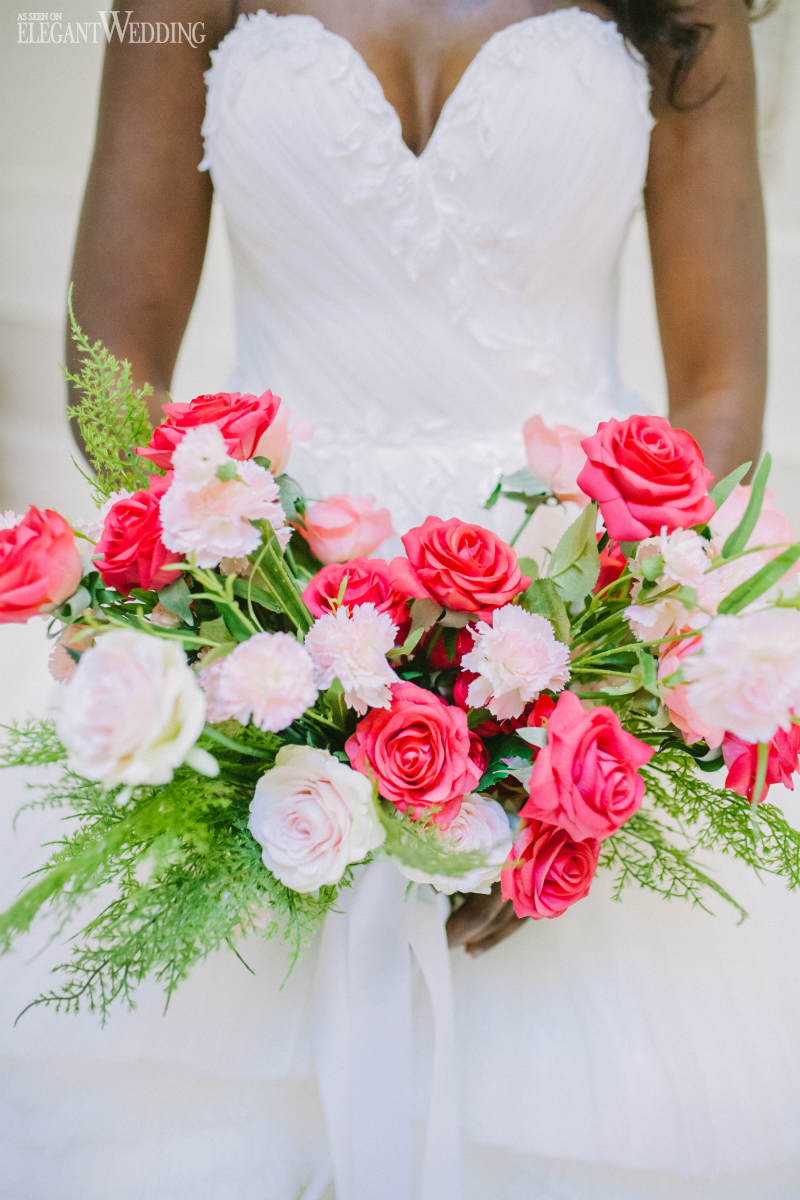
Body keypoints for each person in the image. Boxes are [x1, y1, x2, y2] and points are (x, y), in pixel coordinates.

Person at [3, 2, 799, 1197]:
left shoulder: (686, 9)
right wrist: (235, 641)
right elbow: (112, 362)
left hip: (577, 624)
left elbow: (721, 389)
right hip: (266, 639)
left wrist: (574, 726)